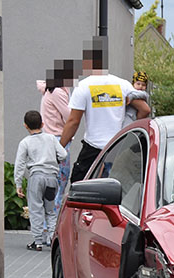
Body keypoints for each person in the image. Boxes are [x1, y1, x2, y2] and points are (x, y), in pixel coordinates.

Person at [60, 37, 151, 183]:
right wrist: (128, 128)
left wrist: (60, 148)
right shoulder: (122, 84)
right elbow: (145, 110)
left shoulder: (84, 86)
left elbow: (73, 121)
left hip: (93, 148)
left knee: (81, 187)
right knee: (113, 189)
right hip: (118, 146)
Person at [15, 110, 67, 251]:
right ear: (42, 124)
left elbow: (19, 165)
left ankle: (37, 241)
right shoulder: (51, 139)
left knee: (35, 209)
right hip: (51, 178)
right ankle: (52, 237)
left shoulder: (25, 142)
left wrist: (18, 183)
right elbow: (63, 154)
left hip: (36, 178)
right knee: (50, 210)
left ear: (25, 126)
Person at [37, 65, 73, 209]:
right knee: (60, 178)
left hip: (48, 137)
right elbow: (69, 116)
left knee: (52, 178)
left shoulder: (50, 90)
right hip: (58, 138)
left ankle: (47, 218)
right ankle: (53, 216)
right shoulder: (57, 92)